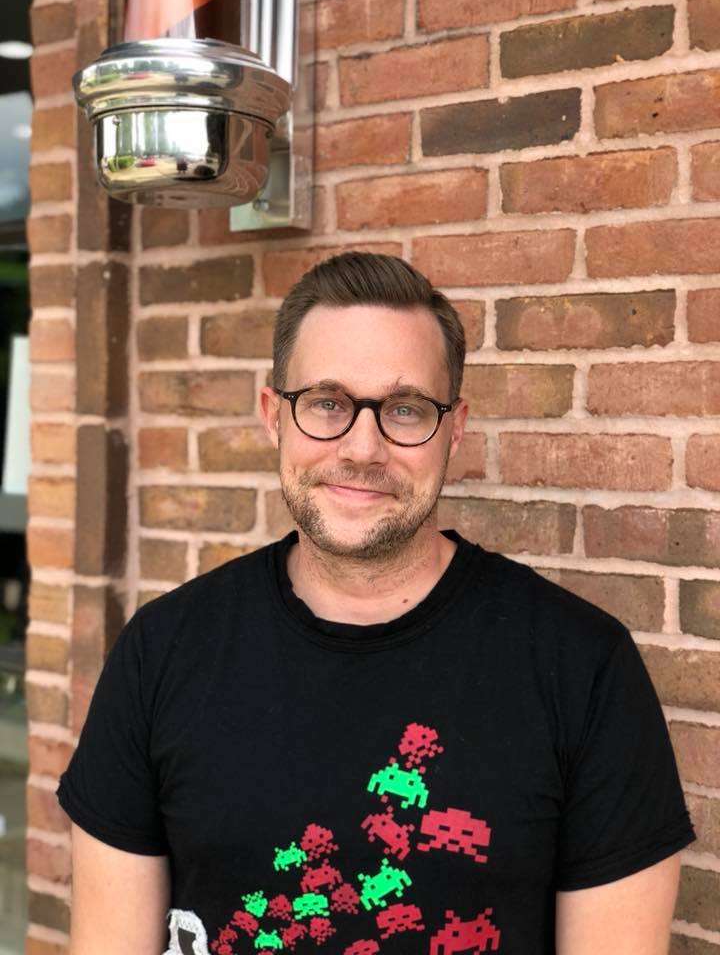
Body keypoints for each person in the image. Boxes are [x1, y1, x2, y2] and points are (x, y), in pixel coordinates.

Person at [58, 252, 694, 955]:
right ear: (273, 416)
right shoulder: (162, 650)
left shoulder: (581, 667)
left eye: (405, 409)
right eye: (327, 402)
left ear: (454, 427)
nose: (364, 448)